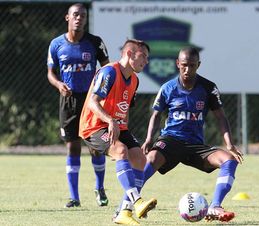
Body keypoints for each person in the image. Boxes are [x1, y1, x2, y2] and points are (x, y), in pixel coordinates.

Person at [126, 46, 243, 222]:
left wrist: (229, 145)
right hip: (170, 140)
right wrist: (150, 139)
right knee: (149, 160)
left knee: (229, 160)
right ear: (177, 64)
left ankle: (215, 206)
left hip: (195, 145)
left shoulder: (208, 88)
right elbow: (156, 115)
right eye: (184, 65)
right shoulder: (168, 88)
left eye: (192, 65)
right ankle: (125, 207)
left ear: (199, 65)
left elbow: (221, 117)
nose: (187, 70)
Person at [79, 39, 157, 225]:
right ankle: (137, 202)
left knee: (139, 157)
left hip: (117, 125)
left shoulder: (135, 80)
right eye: (143, 56)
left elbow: (126, 108)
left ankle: (124, 213)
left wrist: (122, 127)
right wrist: (111, 121)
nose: (146, 61)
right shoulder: (109, 72)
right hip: (94, 126)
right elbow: (92, 102)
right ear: (129, 54)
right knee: (121, 150)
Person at [47, 3, 109, 208]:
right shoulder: (56, 44)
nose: (79, 18)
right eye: (75, 15)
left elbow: (107, 68)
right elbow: (51, 72)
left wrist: (101, 90)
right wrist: (58, 84)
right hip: (69, 101)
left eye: (83, 15)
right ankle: (74, 197)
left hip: (91, 101)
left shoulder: (95, 42)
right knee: (73, 147)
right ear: (67, 18)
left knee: (96, 148)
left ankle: (100, 189)